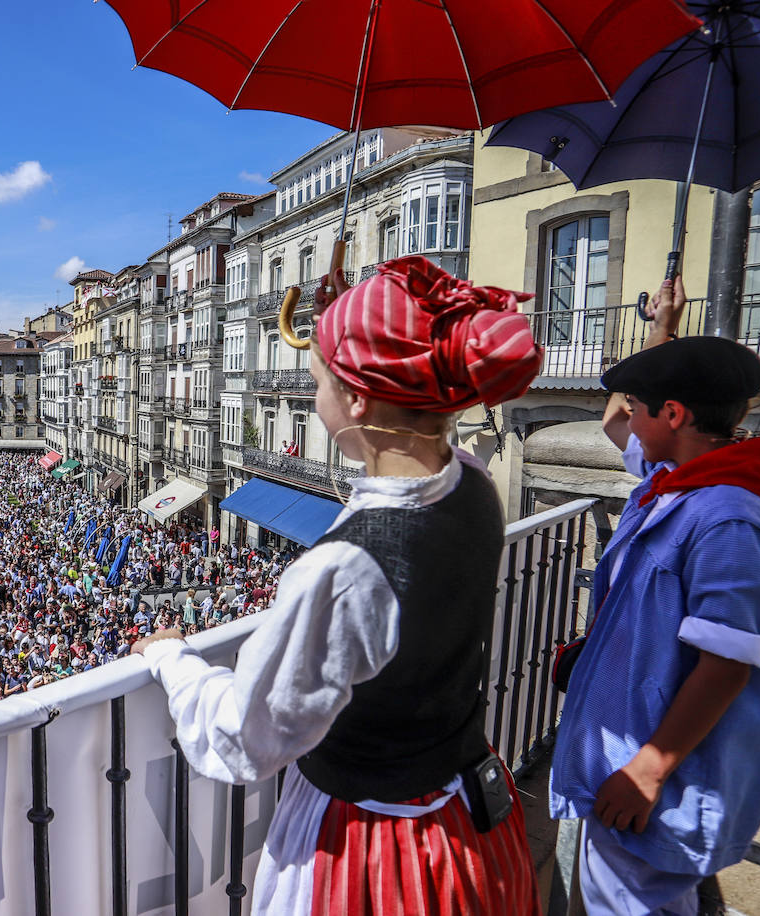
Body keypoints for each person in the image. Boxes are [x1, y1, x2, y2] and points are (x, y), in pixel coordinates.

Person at [133, 256, 544, 915]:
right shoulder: (473, 482)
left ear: (354, 399)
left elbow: (245, 740)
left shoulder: (345, 569)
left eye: (318, 377)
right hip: (465, 825)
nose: (314, 393)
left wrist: (170, 658)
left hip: (378, 857)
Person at [551, 276, 760, 916]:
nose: (625, 419)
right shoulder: (678, 478)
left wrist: (648, 772)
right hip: (624, 764)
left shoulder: (730, 519)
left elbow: (728, 663)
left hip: (651, 787)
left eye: (640, 405)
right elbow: (613, 418)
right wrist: (663, 329)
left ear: (673, 416)